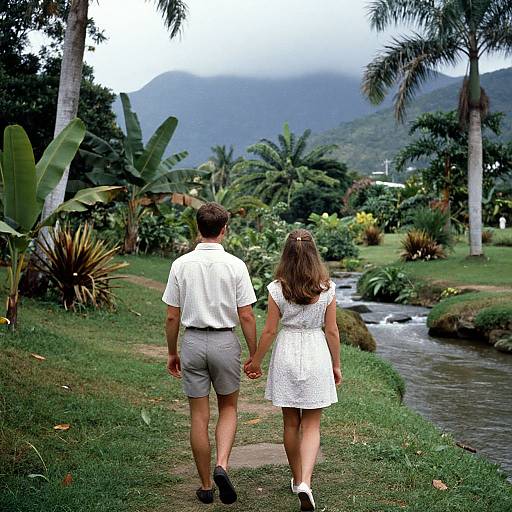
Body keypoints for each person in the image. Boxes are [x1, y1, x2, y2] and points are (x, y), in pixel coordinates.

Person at [162, 202, 257, 505]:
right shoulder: (236, 265)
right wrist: (254, 354)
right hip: (224, 342)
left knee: (198, 416)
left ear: (198, 227)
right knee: (228, 408)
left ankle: (205, 486)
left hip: (192, 342)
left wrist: (171, 352)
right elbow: (246, 316)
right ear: (224, 229)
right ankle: (222, 465)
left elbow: (172, 317)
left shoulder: (181, 265)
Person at [246, 228, 342, 512]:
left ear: (286, 255)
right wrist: (336, 364)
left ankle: (298, 476)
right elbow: (332, 331)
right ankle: (306, 483)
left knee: (291, 423)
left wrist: (255, 361)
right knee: (312, 424)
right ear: (314, 254)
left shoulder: (277, 288)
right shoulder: (327, 288)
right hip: (315, 352)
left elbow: (270, 330)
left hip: (287, 351)